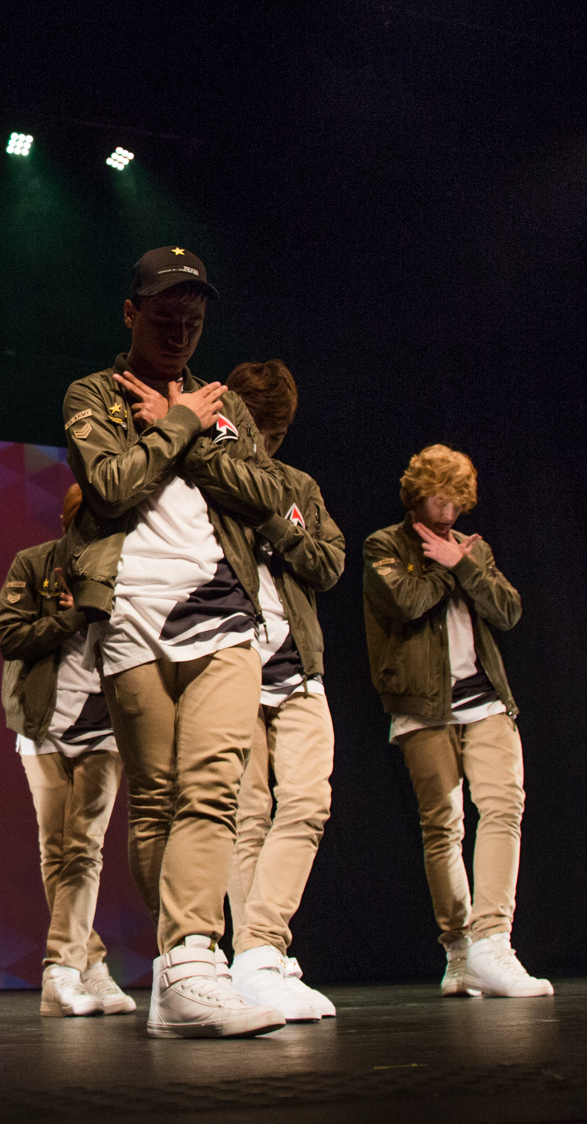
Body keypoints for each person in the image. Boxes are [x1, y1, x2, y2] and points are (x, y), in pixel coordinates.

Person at [62, 246, 290, 1038]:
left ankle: (195, 955)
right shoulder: (91, 393)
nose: (180, 331)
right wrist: (183, 424)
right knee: (155, 800)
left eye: (192, 321)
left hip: (225, 612)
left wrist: (192, 429)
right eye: (165, 318)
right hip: (132, 611)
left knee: (212, 784)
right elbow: (112, 484)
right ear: (131, 313)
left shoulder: (227, 404)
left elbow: (270, 497)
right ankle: (181, 972)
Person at [361, 444, 551, 998]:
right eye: (438, 497)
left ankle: (494, 940)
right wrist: (450, 568)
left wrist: (464, 562)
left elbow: (508, 611)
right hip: (423, 706)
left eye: (456, 499)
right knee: (443, 824)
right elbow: (406, 601)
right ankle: (460, 950)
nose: (448, 510)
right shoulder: (385, 544)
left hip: (486, 698)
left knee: (503, 805)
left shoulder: (473, 548)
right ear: (417, 493)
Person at [219, 360, 345, 1023]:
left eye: (270, 431)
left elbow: (327, 561)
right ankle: (259, 955)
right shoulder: (213, 475)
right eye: (251, 426)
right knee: (246, 816)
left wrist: (277, 522)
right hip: (235, 663)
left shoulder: (298, 486)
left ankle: (259, 948)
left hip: (298, 667)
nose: (260, 441)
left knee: (307, 801)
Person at [0, 484, 138, 1019]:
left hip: (106, 730)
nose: (93, 535)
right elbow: (10, 636)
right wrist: (77, 616)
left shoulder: (133, 568)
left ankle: (60, 968)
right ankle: (90, 964)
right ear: (66, 521)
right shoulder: (33, 566)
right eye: (85, 523)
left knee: (84, 848)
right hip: (42, 724)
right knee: (56, 850)